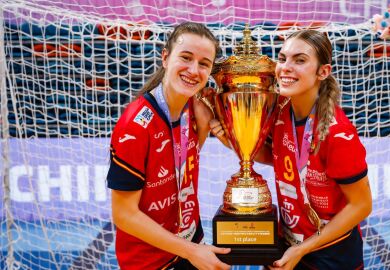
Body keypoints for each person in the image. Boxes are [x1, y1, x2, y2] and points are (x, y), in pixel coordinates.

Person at [210, 29, 372, 269]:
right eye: (283, 58)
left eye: (300, 60)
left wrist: (303, 248)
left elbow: (362, 205)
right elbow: (279, 157)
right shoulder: (280, 107)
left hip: (330, 254)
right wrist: (234, 141)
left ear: (323, 72)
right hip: (287, 244)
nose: (285, 66)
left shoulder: (337, 133)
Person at [107, 22, 230, 270]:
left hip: (191, 241)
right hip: (151, 261)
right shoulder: (136, 124)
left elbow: (182, 168)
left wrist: (208, 126)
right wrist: (192, 252)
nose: (194, 70)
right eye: (186, 57)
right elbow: (124, 214)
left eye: (204, 63)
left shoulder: (196, 110)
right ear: (165, 58)